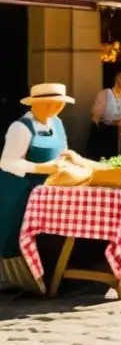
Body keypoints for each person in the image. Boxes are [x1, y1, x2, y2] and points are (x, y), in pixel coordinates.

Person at [0, 83, 77, 290]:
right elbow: (7, 162)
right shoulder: (20, 128)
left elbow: (63, 150)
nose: (56, 108)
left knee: (46, 233)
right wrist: (40, 168)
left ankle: (48, 274)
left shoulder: (58, 123)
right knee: (15, 231)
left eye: (60, 104)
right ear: (37, 104)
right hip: (19, 189)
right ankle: (16, 279)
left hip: (48, 190)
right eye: (51, 103)